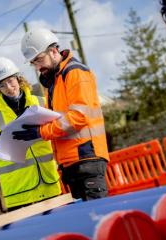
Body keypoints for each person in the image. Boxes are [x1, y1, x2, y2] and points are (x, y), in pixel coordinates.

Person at [13, 28, 109, 201]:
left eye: (39, 60)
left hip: (86, 158)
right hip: (72, 162)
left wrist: (41, 132)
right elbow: (60, 118)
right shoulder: (54, 81)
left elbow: (79, 117)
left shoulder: (75, 73)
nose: (37, 67)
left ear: (54, 51)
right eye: (33, 63)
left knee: (96, 218)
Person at [0, 57, 61, 210]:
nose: (9, 88)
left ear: (18, 79)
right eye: (2, 85)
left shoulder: (40, 102)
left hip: (49, 182)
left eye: (11, 81)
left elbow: (57, 131)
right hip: (18, 192)